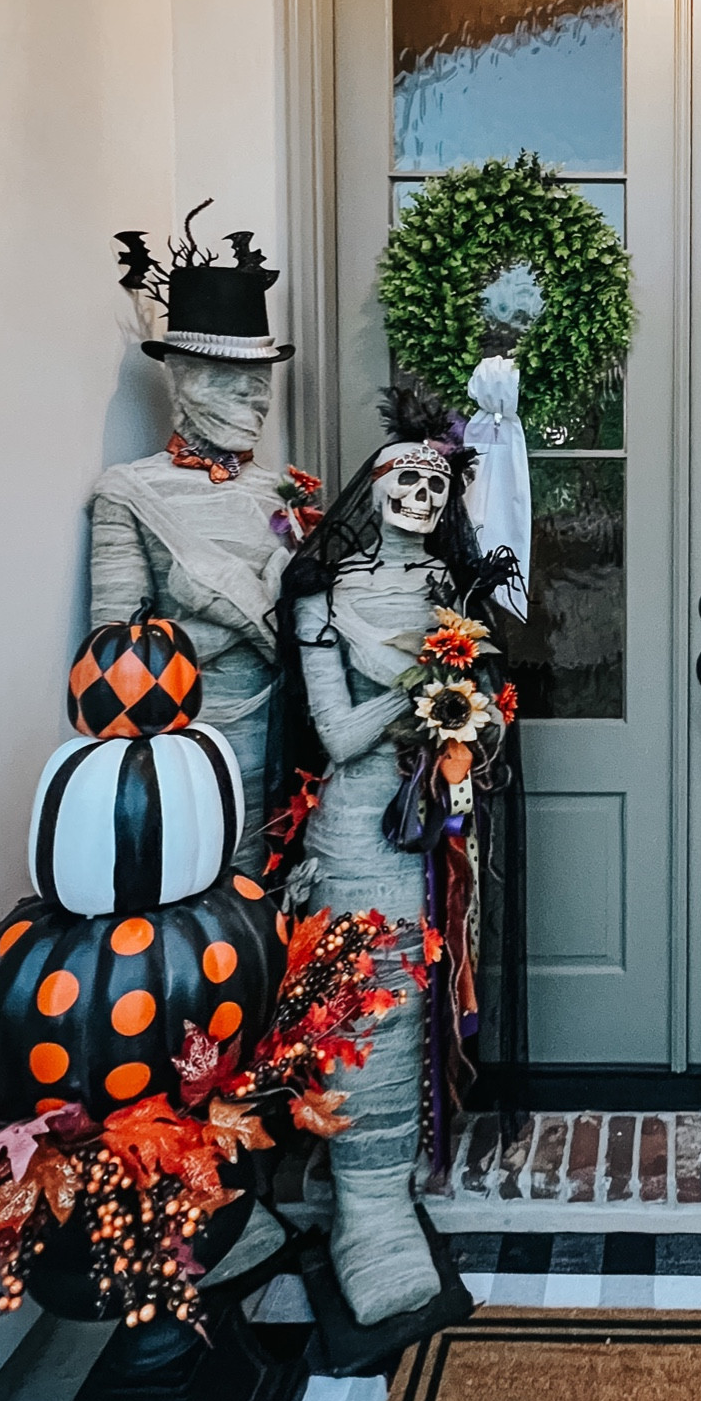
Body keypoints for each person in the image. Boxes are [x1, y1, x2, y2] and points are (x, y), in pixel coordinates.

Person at [275, 386, 526, 1330]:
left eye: (436, 480)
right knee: (363, 995)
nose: (420, 492)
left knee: (420, 992)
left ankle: (391, 1187)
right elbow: (337, 734)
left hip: (435, 832)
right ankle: (362, 1209)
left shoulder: (453, 597)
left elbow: (488, 715)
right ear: (373, 489)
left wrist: (472, 707)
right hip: (356, 826)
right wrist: (425, 685)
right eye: (404, 477)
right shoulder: (325, 598)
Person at [91, 207, 312, 871]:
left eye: (260, 381)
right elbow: (113, 653)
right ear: (179, 377)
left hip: (288, 747)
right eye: (228, 379)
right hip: (189, 749)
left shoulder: (286, 494)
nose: (253, 399)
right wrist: (234, 611)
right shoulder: (128, 491)